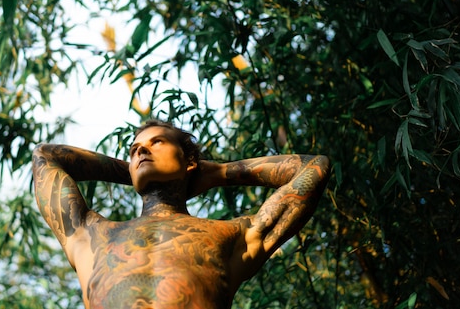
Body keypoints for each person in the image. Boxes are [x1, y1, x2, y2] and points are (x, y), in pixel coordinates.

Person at [32, 119, 330, 309]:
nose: (140, 151)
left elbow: (314, 168)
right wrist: (139, 172)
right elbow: (46, 156)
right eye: (134, 150)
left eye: (156, 142)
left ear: (190, 162)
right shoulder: (92, 233)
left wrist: (215, 172)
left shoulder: (230, 235)